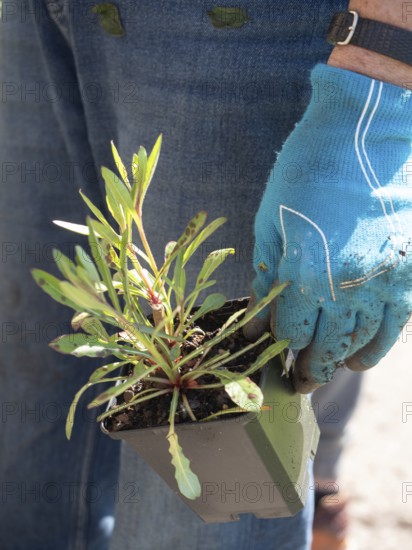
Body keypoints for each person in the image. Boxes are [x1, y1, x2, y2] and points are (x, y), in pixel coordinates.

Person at [1, 1, 412, 550]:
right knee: (28, 441)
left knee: (210, 497)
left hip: (236, 28)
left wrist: (380, 80)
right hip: (34, 20)